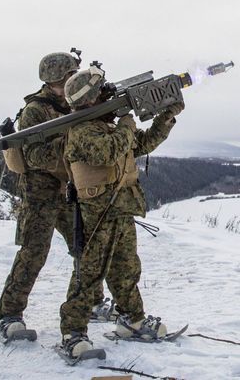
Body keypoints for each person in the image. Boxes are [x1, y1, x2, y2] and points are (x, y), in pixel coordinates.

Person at [57, 66, 184, 358]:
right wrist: (127, 120)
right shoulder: (82, 131)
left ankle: (132, 320)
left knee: (126, 268)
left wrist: (167, 116)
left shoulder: (106, 127)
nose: (108, 95)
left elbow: (143, 143)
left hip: (120, 208)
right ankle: (72, 334)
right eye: (102, 92)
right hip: (97, 213)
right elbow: (108, 152)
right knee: (88, 274)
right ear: (90, 99)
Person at [0, 51, 113, 340]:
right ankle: (8, 314)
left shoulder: (74, 100)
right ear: (57, 79)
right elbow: (34, 155)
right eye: (70, 75)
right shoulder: (37, 110)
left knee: (84, 246)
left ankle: (94, 302)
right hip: (41, 190)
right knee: (34, 252)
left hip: (68, 187)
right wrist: (73, 143)